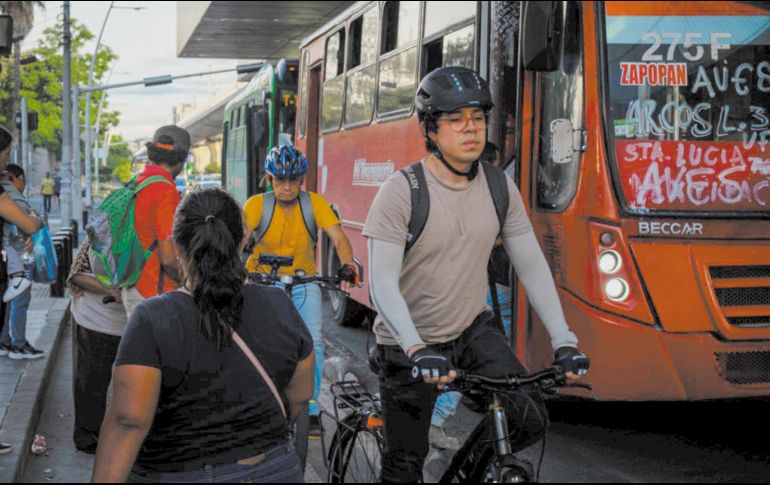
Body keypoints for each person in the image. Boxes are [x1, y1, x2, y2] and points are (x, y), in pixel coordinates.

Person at [363, 66, 589, 482]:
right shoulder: (402, 191)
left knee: (528, 414)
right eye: (455, 120)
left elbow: (532, 266)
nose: (471, 129)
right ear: (430, 130)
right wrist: (415, 348)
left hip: (470, 330)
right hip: (406, 341)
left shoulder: (500, 187)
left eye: (478, 118)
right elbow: (381, 284)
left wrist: (564, 342)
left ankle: (462, 472)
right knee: (403, 468)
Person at [92, 188, 314, 483]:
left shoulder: (153, 320)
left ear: (177, 246)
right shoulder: (280, 305)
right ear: (243, 239)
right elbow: (300, 396)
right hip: (274, 470)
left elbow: (128, 422)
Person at [242, 144, 359, 438]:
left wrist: (346, 265)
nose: (287, 187)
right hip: (262, 281)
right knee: (257, 339)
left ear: (301, 180)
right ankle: (258, 399)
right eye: (280, 180)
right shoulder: (256, 205)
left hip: (303, 282)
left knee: (314, 341)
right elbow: (240, 238)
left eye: (293, 180)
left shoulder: (314, 203)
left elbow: (339, 238)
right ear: (269, 180)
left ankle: (310, 408)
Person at [66, 236, 127, 454]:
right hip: (97, 320)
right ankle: (88, 437)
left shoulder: (158, 234)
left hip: (136, 320)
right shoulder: (102, 233)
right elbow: (77, 276)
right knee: (92, 382)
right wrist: (111, 290)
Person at [121, 125, 187, 318]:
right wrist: (187, 280)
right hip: (154, 290)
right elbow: (167, 258)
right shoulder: (165, 190)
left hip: (133, 283)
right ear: (181, 160)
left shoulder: (139, 181)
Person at [0, 128, 43, 360]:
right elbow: (29, 224)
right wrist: (37, 218)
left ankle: (9, 342)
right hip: (12, 260)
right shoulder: (5, 194)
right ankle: (17, 344)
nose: (7, 161)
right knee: (19, 297)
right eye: (6, 154)